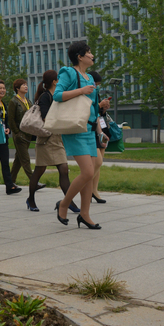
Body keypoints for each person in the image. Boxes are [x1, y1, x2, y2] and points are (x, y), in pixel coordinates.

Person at [53, 41, 110, 230]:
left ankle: (85, 214)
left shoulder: (90, 78)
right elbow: (57, 95)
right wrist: (81, 91)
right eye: (89, 52)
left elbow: (91, 107)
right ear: (79, 56)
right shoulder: (68, 73)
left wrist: (101, 111)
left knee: (89, 174)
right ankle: (64, 204)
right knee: (87, 172)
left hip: (89, 129)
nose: (92, 55)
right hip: (75, 128)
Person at [26, 70, 80, 213]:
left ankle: (69, 202)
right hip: (46, 138)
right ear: (55, 81)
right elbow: (46, 118)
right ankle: (31, 199)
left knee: (64, 169)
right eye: (59, 79)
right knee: (39, 170)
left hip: (57, 138)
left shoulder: (58, 96)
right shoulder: (45, 97)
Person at [0, 80, 21, 195]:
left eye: (4, 88)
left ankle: (9, 186)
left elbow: (6, 121)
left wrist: (8, 129)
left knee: (5, 163)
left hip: (2, 138)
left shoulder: (3, 104)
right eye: (0, 88)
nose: (3, 90)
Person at [7, 78, 40, 188]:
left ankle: (10, 181)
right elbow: (11, 119)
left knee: (18, 159)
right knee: (25, 159)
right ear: (17, 88)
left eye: (26, 84)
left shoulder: (28, 101)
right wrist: (16, 132)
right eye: (23, 85)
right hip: (19, 135)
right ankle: (34, 182)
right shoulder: (13, 101)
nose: (26, 86)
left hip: (28, 134)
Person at [89, 71, 110, 204]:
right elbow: (89, 110)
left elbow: (97, 113)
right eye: (96, 83)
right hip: (91, 129)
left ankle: (94, 190)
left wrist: (103, 108)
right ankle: (87, 187)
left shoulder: (95, 92)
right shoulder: (87, 92)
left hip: (99, 128)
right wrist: (100, 106)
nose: (97, 86)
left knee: (99, 162)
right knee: (97, 162)